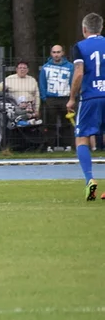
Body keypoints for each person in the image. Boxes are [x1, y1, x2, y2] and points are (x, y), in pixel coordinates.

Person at [67, 12, 105, 200]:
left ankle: (90, 180)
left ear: (84, 29)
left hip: (90, 97)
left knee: (82, 138)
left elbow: (79, 73)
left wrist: (72, 97)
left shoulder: (80, 47)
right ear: (101, 28)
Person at [39, 44, 75, 150]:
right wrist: (45, 98)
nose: (56, 55)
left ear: (62, 53)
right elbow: (42, 83)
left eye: (58, 52)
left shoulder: (70, 67)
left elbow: (73, 82)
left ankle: (67, 145)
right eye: (54, 52)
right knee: (50, 123)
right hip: (51, 98)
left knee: (66, 123)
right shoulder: (45, 67)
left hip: (66, 98)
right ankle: (50, 145)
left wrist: (72, 97)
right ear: (51, 54)